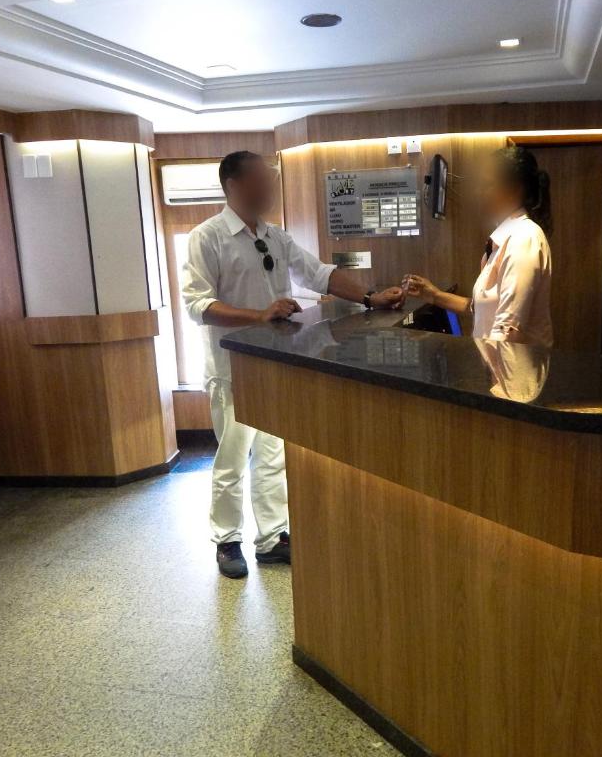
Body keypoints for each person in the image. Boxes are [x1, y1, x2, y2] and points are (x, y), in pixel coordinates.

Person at [182, 151, 404, 579]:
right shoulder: (207, 237)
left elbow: (319, 274)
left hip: (275, 367)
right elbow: (197, 306)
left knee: (272, 455)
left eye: (270, 181)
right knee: (231, 457)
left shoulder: (274, 235)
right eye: (262, 181)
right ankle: (227, 540)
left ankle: (271, 539)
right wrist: (259, 315)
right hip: (232, 370)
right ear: (234, 185)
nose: (270, 188)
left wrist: (370, 298)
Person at [404, 147, 553, 346]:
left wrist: (483, 374)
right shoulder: (507, 237)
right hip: (501, 370)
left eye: (486, 185)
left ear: (513, 190)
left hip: (512, 375)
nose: (479, 192)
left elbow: (508, 329)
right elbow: (480, 309)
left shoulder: (523, 238)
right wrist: (433, 295)